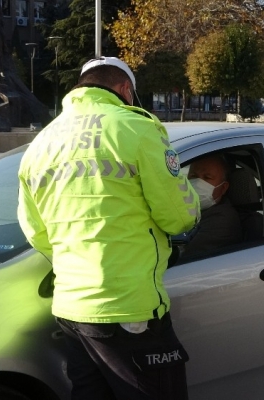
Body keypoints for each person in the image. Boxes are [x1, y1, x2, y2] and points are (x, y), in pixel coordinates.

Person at [17, 56, 200, 400]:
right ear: (124, 89)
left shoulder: (41, 143)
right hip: (131, 309)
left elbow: (35, 231)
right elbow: (180, 216)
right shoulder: (137, 127)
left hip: (72, 310)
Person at [181, 154, 242, 258]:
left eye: (207, 178)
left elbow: (186, 261)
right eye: (193, 176)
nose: (198, 183)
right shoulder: (189, 209)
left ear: (223, 188)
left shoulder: (222, 221)